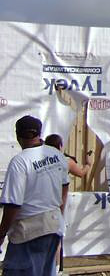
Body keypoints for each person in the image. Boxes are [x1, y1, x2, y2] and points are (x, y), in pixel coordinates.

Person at [0, 115, 70, 276]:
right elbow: (64, 187)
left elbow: (13, 205)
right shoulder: (56, 154)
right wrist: (58, 213)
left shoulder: (20, 162)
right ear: (39, 134)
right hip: (53, 226)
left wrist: (1, 233)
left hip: (28, 232)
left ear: (18, 136)